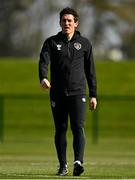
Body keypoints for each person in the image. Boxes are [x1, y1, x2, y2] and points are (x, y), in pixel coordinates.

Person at [39, 7, 97, 176]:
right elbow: (43, 61)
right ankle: (63, 165)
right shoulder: (51, 42)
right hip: (57, 93)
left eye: (70, 21)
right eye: (64, 20)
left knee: (78, 126)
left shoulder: (85, 43)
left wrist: (93, 94)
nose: (66, 23)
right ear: (60, 23)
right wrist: (43, 77)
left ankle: (78, 162)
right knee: (61, 128)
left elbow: (90, 71)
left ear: (76, 23)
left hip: (78, 93)